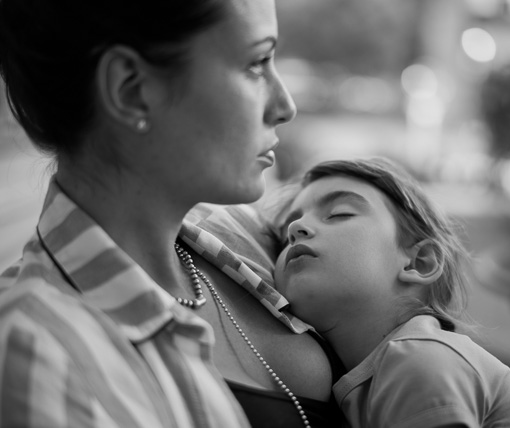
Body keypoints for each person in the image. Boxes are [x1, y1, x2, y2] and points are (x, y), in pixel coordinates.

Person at [0, 0, 342, 427]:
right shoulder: (44, 356)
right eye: (256, 63)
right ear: (132, 89)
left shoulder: (250, 236)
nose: (285, 104)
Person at [271, 158, 510, 428]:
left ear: (418, 263)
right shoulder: (376, 372)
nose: (297, 227)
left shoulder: (418, 358)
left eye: (338, 214)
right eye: (286, 234)